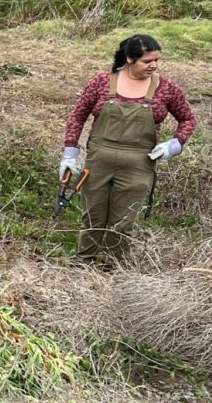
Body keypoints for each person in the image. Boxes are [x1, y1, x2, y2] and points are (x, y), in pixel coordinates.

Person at [62, 33, 195, 265]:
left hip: (139, 164)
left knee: (123, 221)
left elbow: (188, 120)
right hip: (99, 161)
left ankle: (113, 268)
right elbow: (77, 117)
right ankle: (83, 264)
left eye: (157, 60)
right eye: (147, 61)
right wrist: (69, 153)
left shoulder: (166, 88)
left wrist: (174, 145)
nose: (154, 65)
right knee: (92, 215)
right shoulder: (101, 82)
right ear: (130, 59)